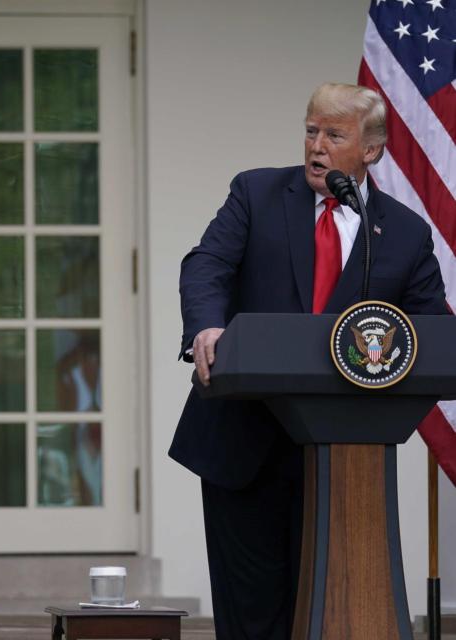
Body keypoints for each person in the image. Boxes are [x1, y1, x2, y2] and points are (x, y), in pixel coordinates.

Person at [170, 83, 446, 639]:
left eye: (334, 134)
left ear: (370, 150)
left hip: (347, 460)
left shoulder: (405, 234)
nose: (316, 145)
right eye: (311, 130)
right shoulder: (256, 193)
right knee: (253, 618)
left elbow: (433, 333)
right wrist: (206, 325)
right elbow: (207, 266)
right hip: (244, 444)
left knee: (333, 613)